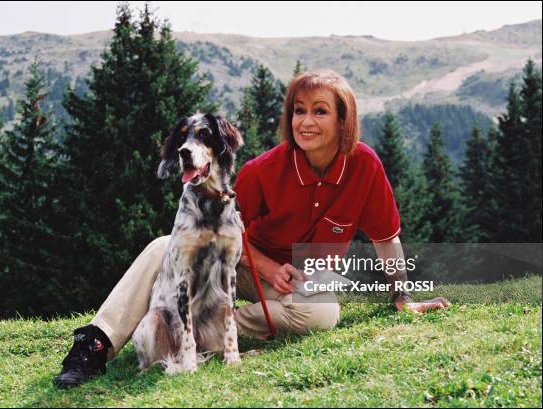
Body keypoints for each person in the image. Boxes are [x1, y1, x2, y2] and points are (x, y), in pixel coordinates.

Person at [54, 69, 450, 388]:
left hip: (304, 278)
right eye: (298, 110)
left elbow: (386, 238)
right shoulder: (263, 170)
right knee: (163, 246)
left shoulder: (365, 165)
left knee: (323, 313)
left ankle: (206, 334)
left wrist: (402, 297)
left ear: (343, 119)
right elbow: (225, 229)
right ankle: (95, 343)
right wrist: (264, 267)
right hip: (242, 263)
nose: (305, 121)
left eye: (320, 111)